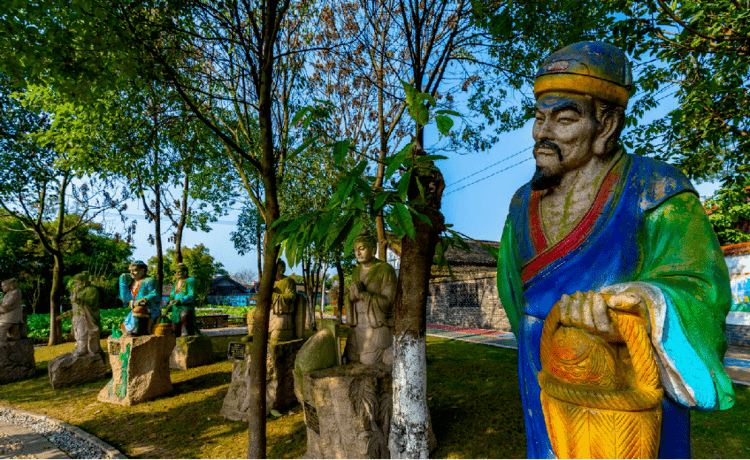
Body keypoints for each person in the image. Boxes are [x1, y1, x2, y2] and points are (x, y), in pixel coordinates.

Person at [496, 41, 734, 459]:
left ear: (606, 125)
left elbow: (701, 287)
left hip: (629, 377)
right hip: (545, 367)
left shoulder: (656, 190)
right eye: (538, 118)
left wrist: (643, 302)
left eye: (564, 119)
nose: (543, 133)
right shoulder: (522, 203)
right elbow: (512, 291)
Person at [343, 232, 397, 367]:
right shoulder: (356, 271)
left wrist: (363, 295)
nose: (358, 253)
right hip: (359, 324)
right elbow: (351, 297)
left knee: (368, 361)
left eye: (362, 249)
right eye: (355, 250)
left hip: (376, 324)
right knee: (350, 357)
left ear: (373, 250)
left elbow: (390, 301)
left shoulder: (385, 269)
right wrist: (350, 298)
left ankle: (388, 352)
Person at [119, 261, 160, 336]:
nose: (131, 273)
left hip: (149, 308)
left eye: (134, 270)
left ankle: (140, 331)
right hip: (134, 310)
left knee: (139, 310)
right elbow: (126, 298)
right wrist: (123, 278)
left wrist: (144, 299)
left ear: (143, 270)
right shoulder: (132, 283)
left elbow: (155, 294)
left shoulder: (150, 281)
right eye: (130, 271)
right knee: (125, 325)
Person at [70, 272, 102, 356]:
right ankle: (80, 348)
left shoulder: (92, 290)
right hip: (77, 316)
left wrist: (78, 301)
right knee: (78, 334)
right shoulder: (79, 291)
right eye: (75, 282)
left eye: (77, 282)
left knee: (83, 333)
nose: (76, 284)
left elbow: (92, 303)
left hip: (85, 316)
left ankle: (83, 349)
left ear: (83, 282)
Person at [269, 259, 299, 342]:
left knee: (275, 337)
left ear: (281, 269)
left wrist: (275, 297)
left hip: (280, 312)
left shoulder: (288, 281)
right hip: (268, 311)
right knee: (251, 314)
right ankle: (253, 333)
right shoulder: (270, 282)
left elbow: (291, 296)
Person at [165, 263, 198, 337]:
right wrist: (171, 301)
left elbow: (192, 294)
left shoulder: (190, 280)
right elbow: (172, 294)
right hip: (175, 308)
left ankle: (186, 334)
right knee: (174, 330)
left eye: (179, 271)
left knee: (184, 316)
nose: (177, 274)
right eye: (176, 272)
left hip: (185, 307)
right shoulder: (176, 282)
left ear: (185, 272)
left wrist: (181, 300)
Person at [0, 278, 24, 344]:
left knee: (1, 328)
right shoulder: (7, 294)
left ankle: (2, 344)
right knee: (13, 336)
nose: (2, 287)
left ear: (9, 285)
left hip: (12, 317)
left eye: (3, 286)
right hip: (6, 316)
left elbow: (7, 306)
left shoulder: (15, 293)